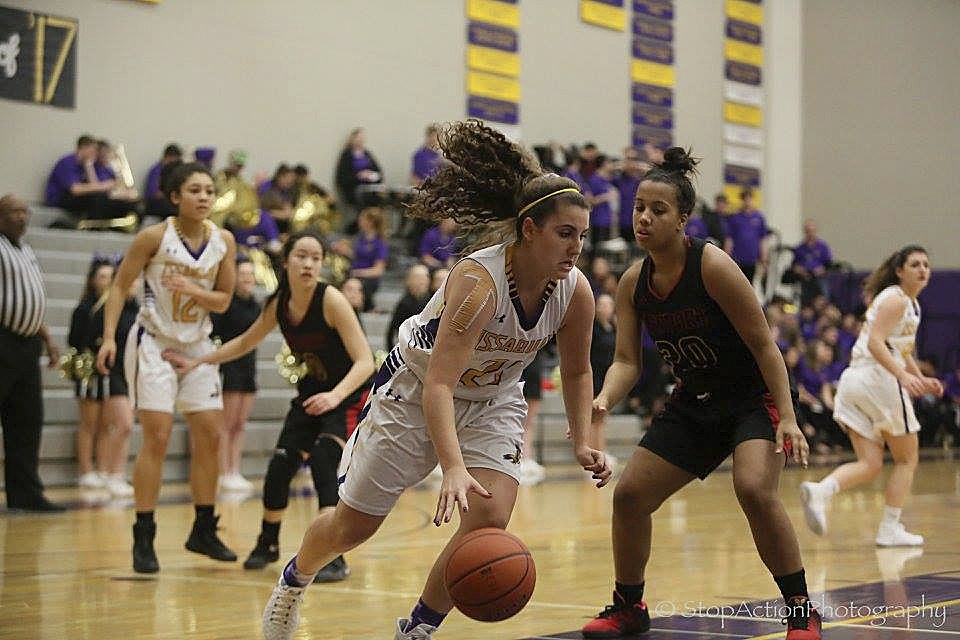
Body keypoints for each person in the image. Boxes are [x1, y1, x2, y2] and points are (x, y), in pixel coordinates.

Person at [260, 120, 611, 640]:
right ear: (529, 230)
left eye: (582, 236)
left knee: (490, 518)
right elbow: (439, 385)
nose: (576, 247)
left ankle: (418, 628)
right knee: (353, 527)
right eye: (565, 233)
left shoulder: (574, 291)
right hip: (415, 392)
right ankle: (294, 580)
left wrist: (583, 439)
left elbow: (579, 370)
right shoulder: (478, 282)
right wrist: (450, 466)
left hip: (492, 399)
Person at [580, 148, 820, 639]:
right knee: (629, 497)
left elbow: (764, 346)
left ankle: (801, 611)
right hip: (697, 399)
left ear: (683, 219)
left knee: (753, 488)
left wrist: (789, 417)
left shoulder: (711, 264)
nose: (644, 217)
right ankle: (629, 606)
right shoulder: (632, 283)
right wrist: (604, 398)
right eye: (639, 207)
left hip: (754, 397)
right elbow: (627, 360)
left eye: (658, 210)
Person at [164, 230, 375, 583]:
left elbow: (365, 361)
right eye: (301, 256)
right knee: (279, 466)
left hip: (348, 396)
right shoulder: (278, 304)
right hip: (312, 393)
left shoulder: (332, 300)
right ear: (286, 261)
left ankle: (334, 555)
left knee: (324, 459)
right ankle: (268, 542)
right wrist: (199, 361)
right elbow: (246, 341)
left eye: (315, 258)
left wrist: (336, 397)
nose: (309, 264)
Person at [95, 162, 238, 573]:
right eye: (195, 190)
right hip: (154, 343)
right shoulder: (154, 237)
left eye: (210, 190)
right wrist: (108, 337)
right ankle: (144, 533)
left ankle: (204, 528)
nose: (204, 197)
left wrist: (194, 289)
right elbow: (120, 286)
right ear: (175, 197)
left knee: (211, 435)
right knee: (156, 437)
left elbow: (225, 300)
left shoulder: (223, 240)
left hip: (196, 346)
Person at [800, 246, 943, 547]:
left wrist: (919, 377)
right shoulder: (896, 299)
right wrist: (903, 377)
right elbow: (878, 345)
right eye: (915, 264)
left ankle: (821, 490)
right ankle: (889, 529)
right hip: (877, 380)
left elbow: (898, 349)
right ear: (900, 271)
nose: (922, 269)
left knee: (871, 463)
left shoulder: (907, 303)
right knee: (907, 458)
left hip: (856, 382)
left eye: (926, 265)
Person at [0, 194, 64, 512]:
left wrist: (49, 340)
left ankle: (25, 494)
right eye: (14, 211)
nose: (22, 217)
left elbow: (30, 300)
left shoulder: (25, 250)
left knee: (27, 421)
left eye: (25, 211)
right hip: (2, 340)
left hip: (27, 345)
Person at [69, 256, 137, 496]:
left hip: (127, 373)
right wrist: (87, 367)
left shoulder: (135, 308)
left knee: (115, 426)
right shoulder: (99, 308)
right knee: (113, 424)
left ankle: (110, 472)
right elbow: (83, 340)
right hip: (105, 371)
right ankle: (96, 471)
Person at [210, 258, 261, 492]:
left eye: (251, 274)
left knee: (240, 424)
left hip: (248, 367)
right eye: (243, 274)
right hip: (229, 367)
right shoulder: (227, 304)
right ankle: (222, 472)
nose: (248, 278)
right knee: (227, 424)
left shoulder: (256, 305)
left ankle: (235, 469)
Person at [44, 135, 132, 222]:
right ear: (83, 148)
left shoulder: (88, 164)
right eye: (93, 150)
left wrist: (89, 165)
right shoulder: (67, 162)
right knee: (97, 199)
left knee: (115, 202)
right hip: (59, 199)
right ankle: (94, 229)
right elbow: (76, 189)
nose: (95, 153)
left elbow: (94, 187)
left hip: (78, 197)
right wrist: (105, 186)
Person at [723, 187, 770, 284]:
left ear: (753, 199)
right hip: (737, 258)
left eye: (749, 198)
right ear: (742, 200)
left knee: (751, 284)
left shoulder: (759, 217)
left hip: (752, 259)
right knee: (737, 284)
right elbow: (729, 239)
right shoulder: (735, 217)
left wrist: (764, 258)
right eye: (745, 198)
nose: (747, 201)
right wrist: (726, 256)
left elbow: (763, 239)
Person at [335, 127, 383, 210]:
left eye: (362, 138)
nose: (360, 141)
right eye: (358, 138)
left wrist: (371, 175)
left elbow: (379, 172)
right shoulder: (347, 155)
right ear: (352, 139)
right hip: (354, 189)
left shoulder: (367, 154)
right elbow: (342, 177)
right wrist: (359, 176)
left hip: (370, 188)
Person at [386, 264, 431, 351]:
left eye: (425, 277)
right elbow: (392, 331)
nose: (421, 281)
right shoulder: (404, 303)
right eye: (417, 277)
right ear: (408, 280)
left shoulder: (433, 301)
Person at [789, 219, 833, 305]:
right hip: (804, 278)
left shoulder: (823, 247)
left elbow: (829, 264)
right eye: (808, 231)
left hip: (819, 278)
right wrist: (799, 270)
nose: (810, 233)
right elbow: (794, 265)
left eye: (812, 231)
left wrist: (821, 269)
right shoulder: (799, 248)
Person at [144, 143, 183, 221]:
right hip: (156, 203)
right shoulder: (156, 171)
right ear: (168, 157)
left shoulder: (177, 170)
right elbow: (153, 193)